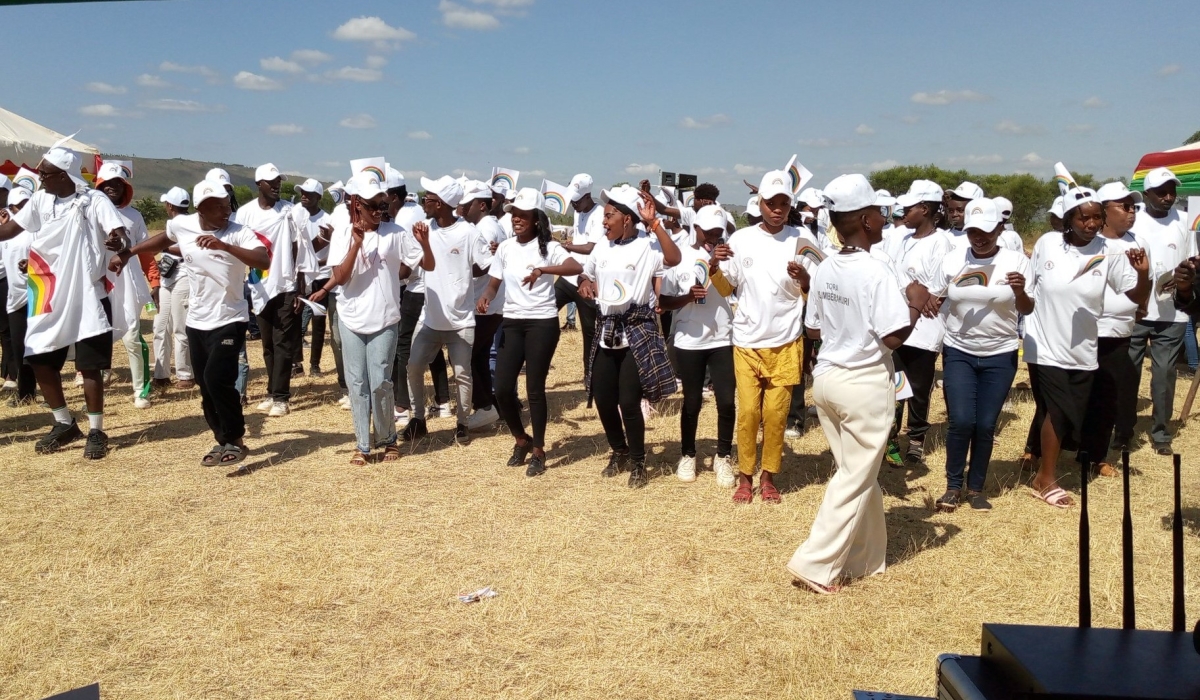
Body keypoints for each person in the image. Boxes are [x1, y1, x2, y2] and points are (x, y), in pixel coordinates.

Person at [787, 174, 924, 594]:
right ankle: (814, 563)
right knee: (853, 478)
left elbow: (812, 330)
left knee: (857, 472)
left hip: (827, 380)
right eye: (880, 215)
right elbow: (892, 337)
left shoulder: (826, 266)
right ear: (865, 219)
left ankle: (866, 558)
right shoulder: (876, 269)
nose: (885, 221)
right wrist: (915, 305)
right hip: (863, 382)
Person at [114, 179, 267, 466]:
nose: (225, 211)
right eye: (217, 207)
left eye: (226, 205)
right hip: (197, 320)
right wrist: (128, 253)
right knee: (204, 385)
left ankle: (236, 439)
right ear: (200, 209)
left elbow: (263, 260)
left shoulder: (238, 232)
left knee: (216, 378)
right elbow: (165, 237)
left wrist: (226, 247)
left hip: (230, 317)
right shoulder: (183, 224)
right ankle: (221, 439)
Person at [0, 142, 130, 459]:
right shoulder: (41, 199)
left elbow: (119, 233)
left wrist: (117, 241)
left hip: (88, 292)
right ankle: (64, 423)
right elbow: (10, 230)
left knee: (89, 366)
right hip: (47, 290)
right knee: (39, 358)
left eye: (45, 173)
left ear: (64, 175)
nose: (39, 177)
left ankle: (97, 431)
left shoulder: (92, 200)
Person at [1022, 186, 1149, 507]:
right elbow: (1030, 288)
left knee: (1071, 412)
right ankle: (1045, 478)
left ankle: (1045, 468)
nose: (1091, 224)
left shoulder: (1110, 252)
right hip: (1045, 344)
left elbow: (1134, 298)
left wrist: (1143, 274)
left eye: (1097, 217)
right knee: (1058, 410)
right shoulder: (1048, 244)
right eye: (1084, 217)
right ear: (1068, 219)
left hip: (1083, 349)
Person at [309, 173, 434, 465]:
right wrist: (356, 244)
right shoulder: (343, 232)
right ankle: (363, 445)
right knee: (357, 383)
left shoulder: (395, 232)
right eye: (372, 206)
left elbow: (427, 264)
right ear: (357, 205)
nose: (379, 211)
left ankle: (388, 438)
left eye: (383, 205)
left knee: (380, 381)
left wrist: (425, 244)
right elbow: (339, 278)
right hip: (350, 317)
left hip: (386, 317)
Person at [710, 171, 812, 503]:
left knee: (775, 415)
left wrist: (806, 279)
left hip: (786, 342)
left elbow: (818, 293)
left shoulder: (803, 239)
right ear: (761, 204)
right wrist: (713, 266)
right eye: (771, 203)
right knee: (750, 413)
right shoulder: (741, 240)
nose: (778, 209)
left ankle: (768, 477)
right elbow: (728, 288)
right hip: (747, 343)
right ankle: (745, 476)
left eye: (784, 203)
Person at [925, 198, 1033, 512]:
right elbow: (935, 293)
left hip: (1000, 354)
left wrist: (1020, 291)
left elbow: (1026, 309)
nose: (979, 237)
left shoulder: (1016, 261)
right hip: (959, 351)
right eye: (973, 230)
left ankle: (976, 488)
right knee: (960, 421)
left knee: (985, 424)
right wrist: (931, 303)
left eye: (986, 230)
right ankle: (952, 486)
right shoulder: (952, 260)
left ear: (1000, 228)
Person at [579, 185, 680, 488]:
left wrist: (655, 223)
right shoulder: (602, 248)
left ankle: (638, 461)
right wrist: (584, 283)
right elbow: (587, 273)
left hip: (637, 331)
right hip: (606, 330)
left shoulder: (648, 247)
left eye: (609, 216)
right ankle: (619, 450)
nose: (603, 221)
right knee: (602, 397)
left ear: (626, 218)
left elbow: (673, 258)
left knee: (629, 400)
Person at [477, 188, 582, 476]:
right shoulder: (507, 248)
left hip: (542, 322)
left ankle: (539, 450)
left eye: (522, 215)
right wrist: (486, 296)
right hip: (512, 321)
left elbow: (575, 265)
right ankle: (521, 439)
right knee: (501, 387)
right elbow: (494, 282)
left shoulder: (549, 247)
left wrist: (542, 270)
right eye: (513, 215)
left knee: (534, 388)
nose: (516, 219)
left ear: (536, 219)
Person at [403, 176, 490, 443]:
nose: (423, 202)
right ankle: (418, 419)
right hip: (430, 319)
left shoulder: (468, 233)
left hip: (461, 321)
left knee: (462, 375)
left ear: (440, 204)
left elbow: (485, 264)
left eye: (427, 198)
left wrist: (464, 276)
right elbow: (411, 265)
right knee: (414, 366)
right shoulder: (421, 230)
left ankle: (462, 423)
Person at [659, 204, 736, 486]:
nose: (714, 238)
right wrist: (687, 298)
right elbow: (663, 301)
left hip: (723, 337)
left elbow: (734, 289)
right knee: (691, 402)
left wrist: (717, 264)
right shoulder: (679, 257)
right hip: (688, 340)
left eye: (719, 233)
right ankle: (688, 454)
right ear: (697, 228)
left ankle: (723, 456)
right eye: (709, 233)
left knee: (726, 401)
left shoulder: (728, 256)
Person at [1120, 167, 1193, 455]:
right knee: (1128, 372)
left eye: (1172, 191)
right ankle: (1122, 431)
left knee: (1164, 374)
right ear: (1147, 194)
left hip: (1172, 314)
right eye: (1161, 192)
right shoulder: (1133, 221)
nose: (1168, 197)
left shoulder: (1186, 221)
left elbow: (1193, 260)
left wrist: (1185, 275)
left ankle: (1161, 434)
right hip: (1135, 311)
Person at [236, 163, 316, 417]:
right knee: (268, 343)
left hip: (285, 286)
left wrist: (299, 286)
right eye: (271, 182)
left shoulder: (289, 212)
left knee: (283, 342)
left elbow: (299, 248)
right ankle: (271, 392)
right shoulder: (245, 214)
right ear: (259, 184)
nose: (276, 185)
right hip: (259, 286)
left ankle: (282, 397)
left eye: (278, 181)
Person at [886, 179, 953, 465]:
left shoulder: (942, 243)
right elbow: (891, 272)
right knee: (895, 383)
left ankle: (916, 438)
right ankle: (890, 438)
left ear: (924, 209)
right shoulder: (900, 238)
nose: (904, 212)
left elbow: (941, 284)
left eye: (909, 207)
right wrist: (912, 290)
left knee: (919, 385)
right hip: (900, 322)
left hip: (926, 326)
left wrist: (926, 294)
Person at [1079, 182, 1144, 475]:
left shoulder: (1137, 242)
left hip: (1118, 332)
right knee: (1076, 393)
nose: (1131, 212)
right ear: (1103, 210)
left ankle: (1096, 456)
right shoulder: (1086, 245)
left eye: (1133, 207)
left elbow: (1141, 286)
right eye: (1125, 206)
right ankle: (1039, 449)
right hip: (1085, 330)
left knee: (1106, 396)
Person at [95, 161, 158, 409]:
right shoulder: (87, 213)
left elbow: (146, 252)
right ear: (99, 186)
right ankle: (98, 379)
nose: (112, 188)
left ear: (125, 188)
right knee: (97, 335)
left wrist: (154, 281)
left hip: (127, 285)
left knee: (132, 337)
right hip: (98, 283)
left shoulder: (134, 216)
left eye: (117, 184)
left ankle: (141, 391)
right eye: (107, 184)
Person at [392, 169, 453, 428]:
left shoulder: (406, 219)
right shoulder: (421, 216)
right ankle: (443, 402)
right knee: (433, 346)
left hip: (417, 291)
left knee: (404, 346)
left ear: (391, 196)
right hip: (433, 291)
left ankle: (403, 406)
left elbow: (407, 266)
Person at [461, 180, 505, 430]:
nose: (463, 209)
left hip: (483, 303)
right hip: (489, 304)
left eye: (467, 204)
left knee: (465, 356)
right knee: (476, 356)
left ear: (481, 205)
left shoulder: (485, 229)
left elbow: (483, 265)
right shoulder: (489, 225)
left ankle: (485, 406)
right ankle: (486, 405)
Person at [555, 173, 604, 366]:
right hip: (568, 278)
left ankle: (589, 374)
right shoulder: (577, 212)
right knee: (547, 310)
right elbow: (578, 240)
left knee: (589, 332)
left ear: (587, 197)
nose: (573, 205)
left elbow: (590, 247)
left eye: (576, 201)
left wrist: (566, 246)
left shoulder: (599, 214)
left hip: (587, 278)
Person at [151, 187, 195, 390]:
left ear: (169, 205)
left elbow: (189, 247)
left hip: (184, 277)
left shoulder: (189, 224)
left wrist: (163, 247)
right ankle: (161, 374)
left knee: (180, 327)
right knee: (161, 326)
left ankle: (185, 373)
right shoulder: (174, 224)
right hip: (167, 279)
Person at [291, 179, 334, 377]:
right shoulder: (293, 215)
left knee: (318, 322)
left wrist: (316, 264)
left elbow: (332, 251)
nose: (304, 196)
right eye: (302, 192)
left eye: (308, 193)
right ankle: (296, 363)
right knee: (295, 320)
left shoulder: (328, 219)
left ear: (318, 197)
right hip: (299, 276)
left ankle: (315, 364)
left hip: (321, 276)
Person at [0, 186, 36, 404]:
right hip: (15, 298)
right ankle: (26, 393)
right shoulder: (6, 233)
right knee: (19, 346)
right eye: (18, 206)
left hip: (38, 295)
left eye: (26, 205)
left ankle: (32, 392)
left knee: (39, 346)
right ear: (11, 208)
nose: (23, 210)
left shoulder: (39, 229)